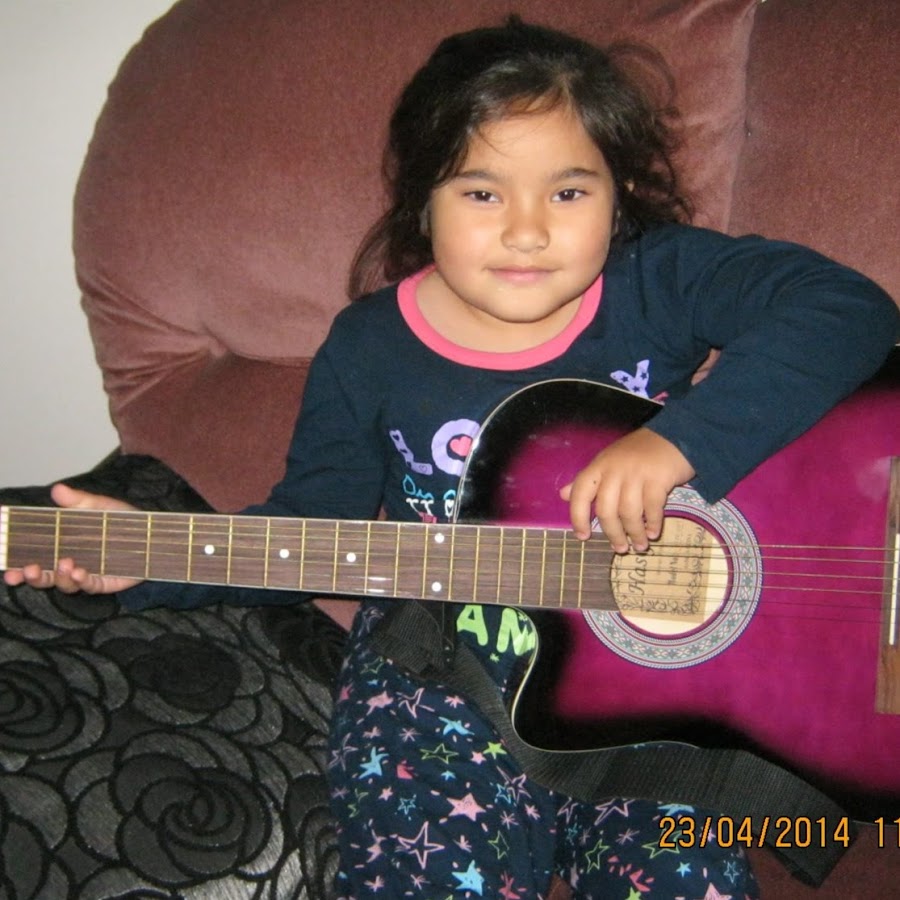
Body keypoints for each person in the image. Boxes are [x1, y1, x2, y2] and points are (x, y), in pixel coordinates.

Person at [6, 17, 898, 899]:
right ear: (422, 199)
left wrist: (682, 443)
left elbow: (847, 311)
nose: (526, 231)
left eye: (568, 193)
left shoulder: (657, 278)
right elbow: (309, 527)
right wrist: (150, 561)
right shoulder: (366, 350)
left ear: (619, 194)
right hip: (439, 685)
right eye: (481, 193)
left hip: (658, 701)